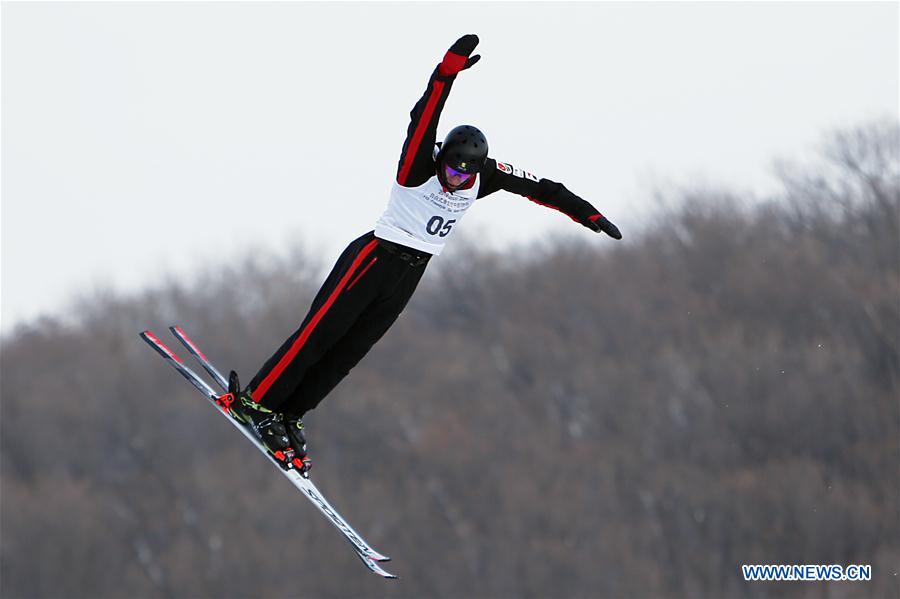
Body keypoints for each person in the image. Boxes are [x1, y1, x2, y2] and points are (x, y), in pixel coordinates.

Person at [223, 34, 622, 472]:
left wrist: (589, 216)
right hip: (374, 259)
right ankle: (257, 402)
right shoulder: (419, 165)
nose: (455, 179)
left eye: (464, 173)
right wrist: (445, 73)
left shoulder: (480, 175)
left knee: (348, 353)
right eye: (451, 168)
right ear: (442, 160)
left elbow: (541, 188)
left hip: (409, 274)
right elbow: (423, 117)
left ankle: (289, 411)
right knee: (318, 335)